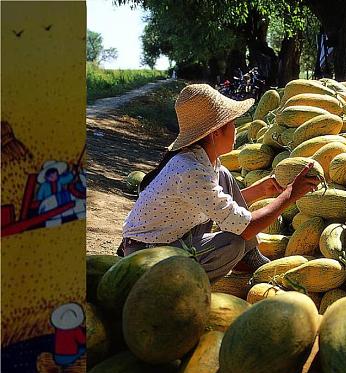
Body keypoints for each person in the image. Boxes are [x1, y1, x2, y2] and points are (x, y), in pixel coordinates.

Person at [119, 83, 319, 281]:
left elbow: (212, 204)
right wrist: (291, 194)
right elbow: (246, 227)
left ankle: (250, 257)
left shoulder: (203, 159)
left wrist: (258, 191)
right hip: (145, 254)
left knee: (223, 175)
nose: (235, 128)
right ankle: (186, 288)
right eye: (232, 123)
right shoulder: (191, 171)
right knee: (232, 244)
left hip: (172, 236)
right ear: (215, 132)